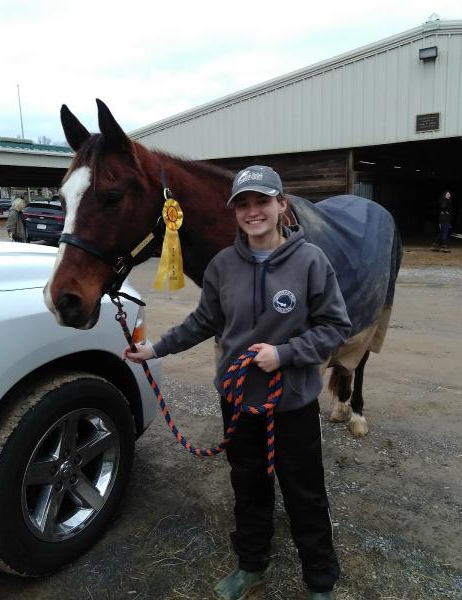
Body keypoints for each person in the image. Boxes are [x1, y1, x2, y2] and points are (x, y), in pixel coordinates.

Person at [123, 165, 352, 600]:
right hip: (239, 403)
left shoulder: (310, 262)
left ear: (281, 205)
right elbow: (205, 320)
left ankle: (320, 581)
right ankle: (251, 567)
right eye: (243, 204)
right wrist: (154, 349)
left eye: (262, 201)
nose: (253, 212)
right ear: (234, 211)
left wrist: (283, 354)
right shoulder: (223, 266)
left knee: (306, 494)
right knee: (248, 488)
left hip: (291, 405)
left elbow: (335, 327)